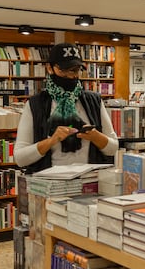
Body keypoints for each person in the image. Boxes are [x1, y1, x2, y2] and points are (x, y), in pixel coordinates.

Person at [14, 43, 119, 173]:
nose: (71, 76)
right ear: (50, 68)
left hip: (89, 182)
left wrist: (95, 136)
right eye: (64, 70)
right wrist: (52, 140)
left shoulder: (94, 101)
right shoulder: (36, 104)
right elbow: (20, 158)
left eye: (75, 70)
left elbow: (113, 148)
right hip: (49, 185)